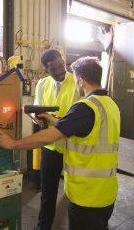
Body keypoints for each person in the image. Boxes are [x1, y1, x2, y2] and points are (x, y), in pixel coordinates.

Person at [0, 57, 120, 230]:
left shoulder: (86, 107)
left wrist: (13, 143)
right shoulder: (110, 105)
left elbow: (48, 137)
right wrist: (55, 121)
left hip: (87, 196)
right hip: (106, 193)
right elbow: (86, 130)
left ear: (80, 80)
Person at [33, 49, 79, 230]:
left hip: (73, 146)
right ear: (46, 70)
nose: (59, 71)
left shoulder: (77, 82)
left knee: (75, 193)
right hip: (51, 146)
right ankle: (43, 227)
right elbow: (37, 108)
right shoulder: (42, 85)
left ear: (64, 61)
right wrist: (36, 117)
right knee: (48, 192)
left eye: (61, 66)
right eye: (53, 69)